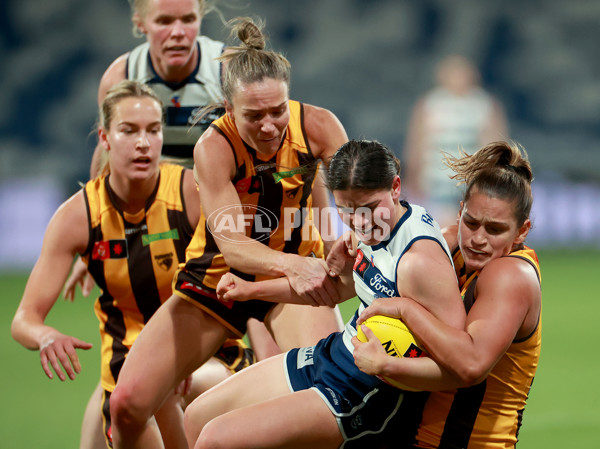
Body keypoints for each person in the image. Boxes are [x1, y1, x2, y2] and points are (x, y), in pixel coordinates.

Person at [108, 17, 348, 449]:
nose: (270, 126)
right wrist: (299, 265)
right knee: (125, 404)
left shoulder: (319, 127)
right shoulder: (214, 148)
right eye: (253, 116)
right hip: (215, 282)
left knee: (329, 397)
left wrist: (350, 247)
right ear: (228, 106)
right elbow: (235, 248)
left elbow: (352, 205)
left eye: (278, 111)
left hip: (287, 288)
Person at [11, 80, 253, 449]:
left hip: (211, 361)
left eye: (153, 130)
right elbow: (24, 318)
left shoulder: (191, 192)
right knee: (139, 396)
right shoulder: (78, 217)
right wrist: (45, 336)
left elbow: (245, 276)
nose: (143, 142)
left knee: (163, 390)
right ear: (105, 137)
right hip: (124, 375)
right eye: (129, 130)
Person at [182, 139, 466, 449]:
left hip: (369, 393)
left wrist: (387, 367)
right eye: (346, 210)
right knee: (196, 418)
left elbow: (459, 366)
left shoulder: (419, 262)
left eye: (369, 208)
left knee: (215, 440)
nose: (359, 221)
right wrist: (252, 290)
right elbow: (333, 290)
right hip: (336, 355)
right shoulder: (380, 225)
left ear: (396, 187)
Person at [353, 141, 541, 448]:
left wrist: (404, 314)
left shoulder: (510, 275)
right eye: (472, 222)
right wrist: (355, 246)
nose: (478, 238)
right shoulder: (452, 244)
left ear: (522, 232)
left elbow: (471, 365)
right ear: (460, 212)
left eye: (495, 229)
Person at [91, 0, 226, 173]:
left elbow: (267, 155)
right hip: (151, 194)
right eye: (164, 21)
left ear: (200, 18)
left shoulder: (229, 72)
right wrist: (98, 199)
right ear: (141, 23)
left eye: (188, 19)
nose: (178, 32)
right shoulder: (121, 77)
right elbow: (106, 155)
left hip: (221, 192)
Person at [403, 54, 509, 228]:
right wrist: (414, 174)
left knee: (473, 223)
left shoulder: (484, 105)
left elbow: (495, 144)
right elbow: (417, 143)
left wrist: (495, 173)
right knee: (444, 227)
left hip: (473, 178)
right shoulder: (430, 105)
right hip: (438, 179)